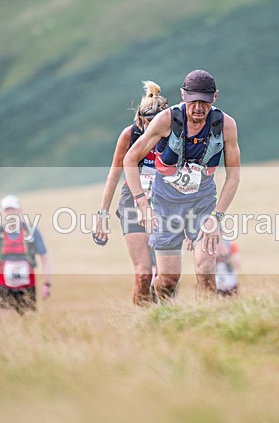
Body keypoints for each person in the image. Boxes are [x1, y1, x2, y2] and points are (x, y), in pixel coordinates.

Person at [123, 69, 241, 301]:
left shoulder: (225, 125)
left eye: (204, 102)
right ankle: (164, 316)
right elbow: (130, 159)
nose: (198, 108)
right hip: (166, 205)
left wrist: (216, 217)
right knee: (168, 279)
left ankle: (204, 323)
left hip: (202, 204)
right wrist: (142, 204)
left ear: (215, 97)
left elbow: (234, 175)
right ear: (182, 95)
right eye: (193, 101)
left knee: (206, 270)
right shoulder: (167, 120)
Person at [94, 80, 169, 305]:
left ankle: (164, 315)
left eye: (156, 123)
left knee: (165, 275)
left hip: (165, 202)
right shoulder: (130, 135)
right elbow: (113, 176)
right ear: (140, 120)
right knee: (144, 272)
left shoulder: (175, 135)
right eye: (147, 123)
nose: (151, 129)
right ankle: (139, 317)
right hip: (133, 200)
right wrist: (102, 216)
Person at [0, 194, 52, 315]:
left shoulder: (32, 231)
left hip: (27, 287)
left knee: (29, 323)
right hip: (4, 287)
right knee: (5, 324)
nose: (10, 213)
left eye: (13, 209)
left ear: (20, 210)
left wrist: (47, 284)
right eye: (7, 209)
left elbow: (45, 258)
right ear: (2, 212)